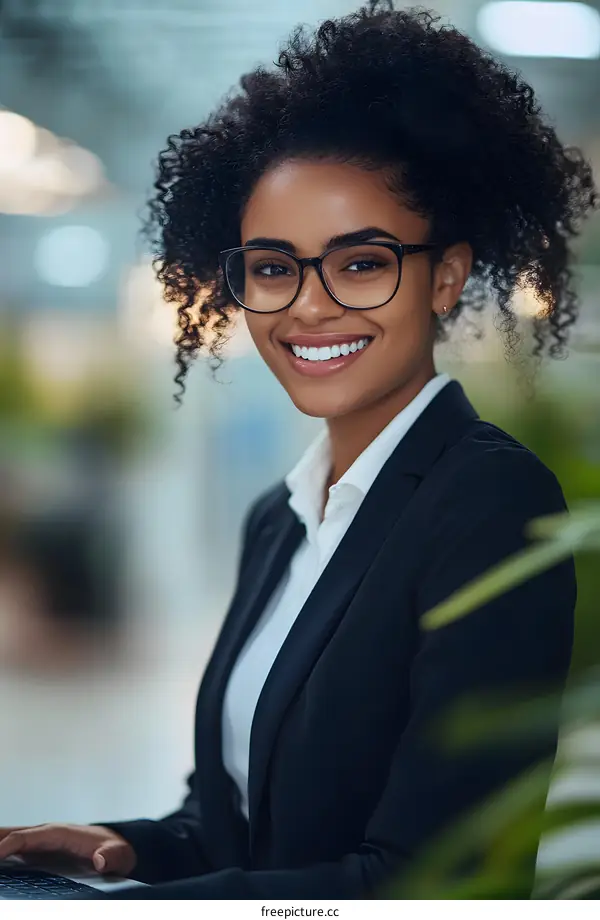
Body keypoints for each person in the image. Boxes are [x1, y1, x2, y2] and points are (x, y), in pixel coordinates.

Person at [0, 0, 596, 900]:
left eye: (361, 263)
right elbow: (232, 826)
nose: (309, 307)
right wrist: (123, 851)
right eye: (275, 268)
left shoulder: (491, 502)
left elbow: (439, 887)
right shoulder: (278, 520)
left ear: (446, 275)